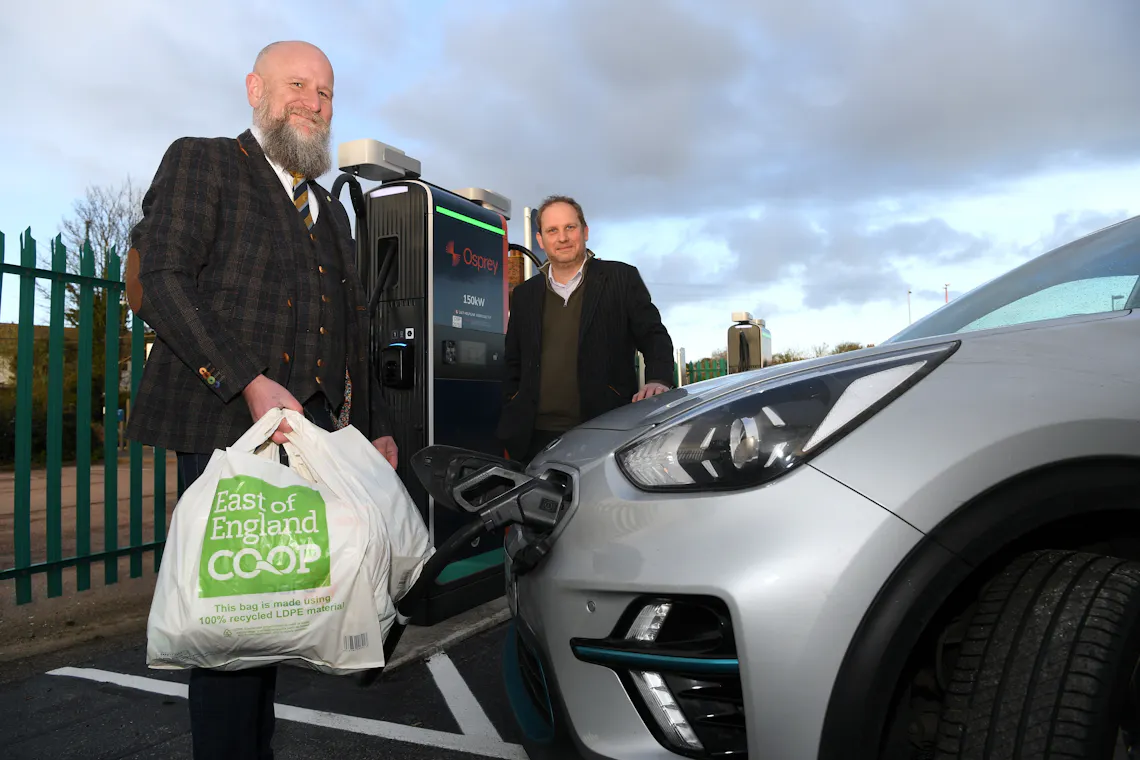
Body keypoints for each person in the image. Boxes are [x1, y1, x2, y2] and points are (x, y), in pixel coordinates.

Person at [124, 40, 397, 759]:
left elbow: (352, 329)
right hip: (225, 433)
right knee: (230, 632)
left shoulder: (329, 211)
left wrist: (369, 429)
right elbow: (163, 278)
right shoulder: (205, 160)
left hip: (305, 442)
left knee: (272, 616)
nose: (313, 102)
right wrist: (246, 380)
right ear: (255, 89)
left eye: (327, 92)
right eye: (298, 85)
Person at [497, 195, 675, 461]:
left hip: (603, 429)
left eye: (570, 227)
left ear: (585, 231)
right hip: (534, 436)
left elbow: (654, 336)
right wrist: (512, 405)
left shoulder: (620, 279)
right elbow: (513, 359)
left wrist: (658, 380)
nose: (562, 238)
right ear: (540, 240)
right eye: (552, 230)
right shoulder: (525, 294)